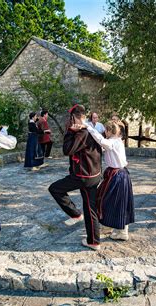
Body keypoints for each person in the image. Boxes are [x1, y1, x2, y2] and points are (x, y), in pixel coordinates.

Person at [48, 104, 102, 251]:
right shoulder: (91, 129)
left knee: (55, 188)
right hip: (93, 174)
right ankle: (93, 239)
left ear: (74, 118)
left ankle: (77, 216)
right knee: (90, 207)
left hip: (83, 177)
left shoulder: (81, 133)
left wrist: (70, 132)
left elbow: (67, 150)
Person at [84, 121, 134, 241]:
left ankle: (122, 232)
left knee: (113, 202)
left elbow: (101, 141)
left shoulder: (113, 142)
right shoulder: (117, 141)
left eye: (106, 131)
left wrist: (88, 127)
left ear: (109, 131)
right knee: (112, 201)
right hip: (119, 175)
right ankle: (113, 227)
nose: (104, 133)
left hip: (117, 176)